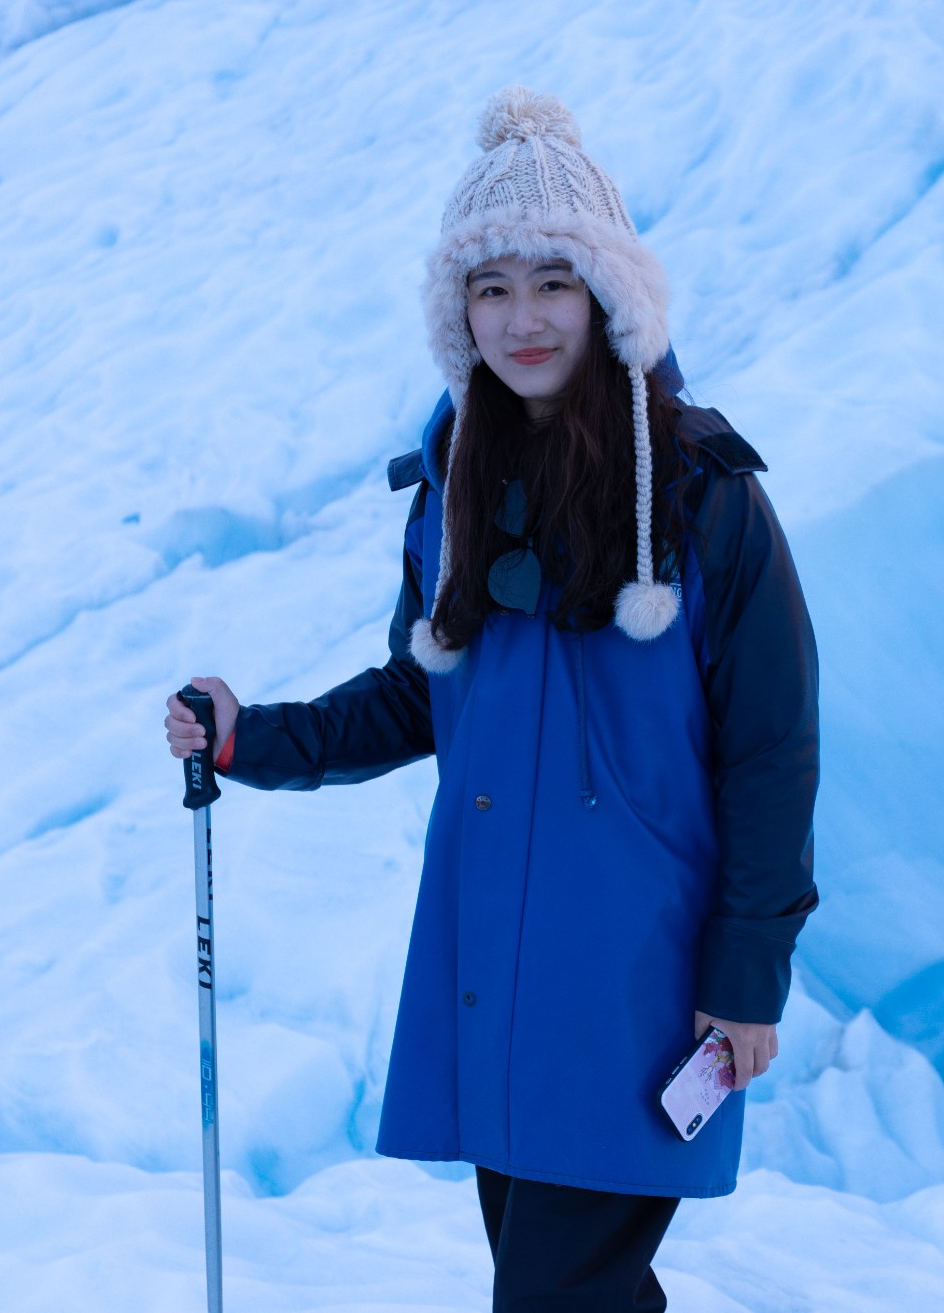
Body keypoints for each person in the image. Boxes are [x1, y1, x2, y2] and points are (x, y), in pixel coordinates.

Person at [163, 86, 819, 1312]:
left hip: (638, 987)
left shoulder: (704, 498)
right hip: (497, 974)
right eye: (489, 286)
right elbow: (423, 697)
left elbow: (771, 754)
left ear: (606, 292)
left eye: (551, 281)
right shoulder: (454, 490)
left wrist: (746, 977)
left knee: (556, 1300)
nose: (521, 317)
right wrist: (258, 738)